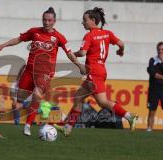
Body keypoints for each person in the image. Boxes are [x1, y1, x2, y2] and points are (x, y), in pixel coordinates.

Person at [0, 7, 84, 136]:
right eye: (44, 20)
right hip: (29, 72)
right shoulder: (34, 31)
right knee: (19, 100)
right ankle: (49, 115)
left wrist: (79, 66)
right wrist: (3, 45)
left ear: (54, 21)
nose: (46, 23)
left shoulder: (59, 37)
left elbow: (69, 53)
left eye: (49, 20)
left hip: (45, 74)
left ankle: (28, 126)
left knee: (36, 94)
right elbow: (19, 39)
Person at [54, 7, 138, 136]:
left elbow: (83, 52)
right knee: (78, 98)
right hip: (101, 70)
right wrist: (120, 52)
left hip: (94, 72)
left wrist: (73, 53)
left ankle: (129, 116)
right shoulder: (108, 33)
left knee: (102, 102)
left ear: (93, 20)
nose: (83, 23)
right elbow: (121, 44)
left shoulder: (89, 35)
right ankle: (68, 128)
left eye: (85, 20)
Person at [146, 42, 163, 132]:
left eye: (162, 49)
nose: (160, 51)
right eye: (159, 49)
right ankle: (149, 128)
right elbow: (152, 73)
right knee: (152, 110)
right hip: (154, 89)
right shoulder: (153, 59)